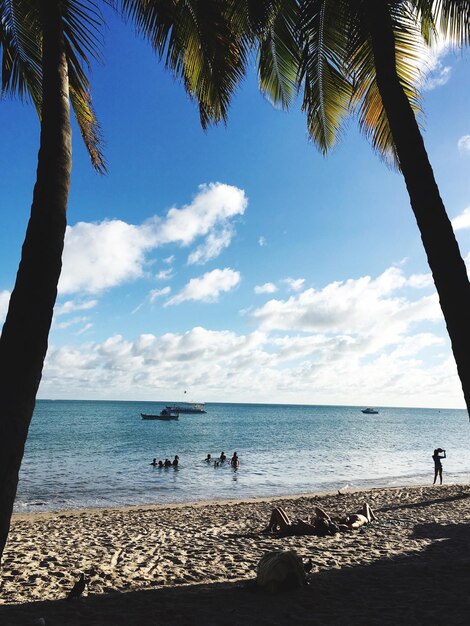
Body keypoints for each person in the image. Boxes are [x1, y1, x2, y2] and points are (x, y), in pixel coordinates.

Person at [263, 503, 376, 537]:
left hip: (288, 528)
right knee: (278, 510)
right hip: (290, 526)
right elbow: (317, 510)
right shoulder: (320, 527)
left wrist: (305, 521)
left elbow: (300, 522)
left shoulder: (313, 529)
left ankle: (270, 528)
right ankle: (271, 527)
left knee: (277, 510)